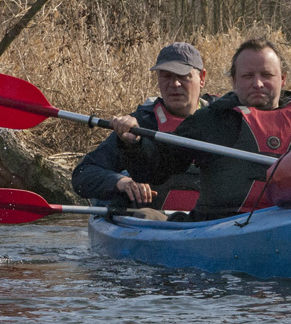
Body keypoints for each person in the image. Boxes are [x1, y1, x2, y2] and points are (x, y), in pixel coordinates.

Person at [113, 38, 291, 222]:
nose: (258, 84)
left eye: (266, 75)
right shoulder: (211, 120)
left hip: (288, 222)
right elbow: (157, 168)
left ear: (282, 79)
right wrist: (134, 143)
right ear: (234, 81)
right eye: (247, 76)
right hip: (216, 226)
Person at [71, 42, 214, 216]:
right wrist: (121, 182)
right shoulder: (139, 125)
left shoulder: (223, 120)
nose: (174, 84)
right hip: (153, 223)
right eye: (166, 76)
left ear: (202, 78)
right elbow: (83, 174)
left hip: (214, 222)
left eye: (183, 76)